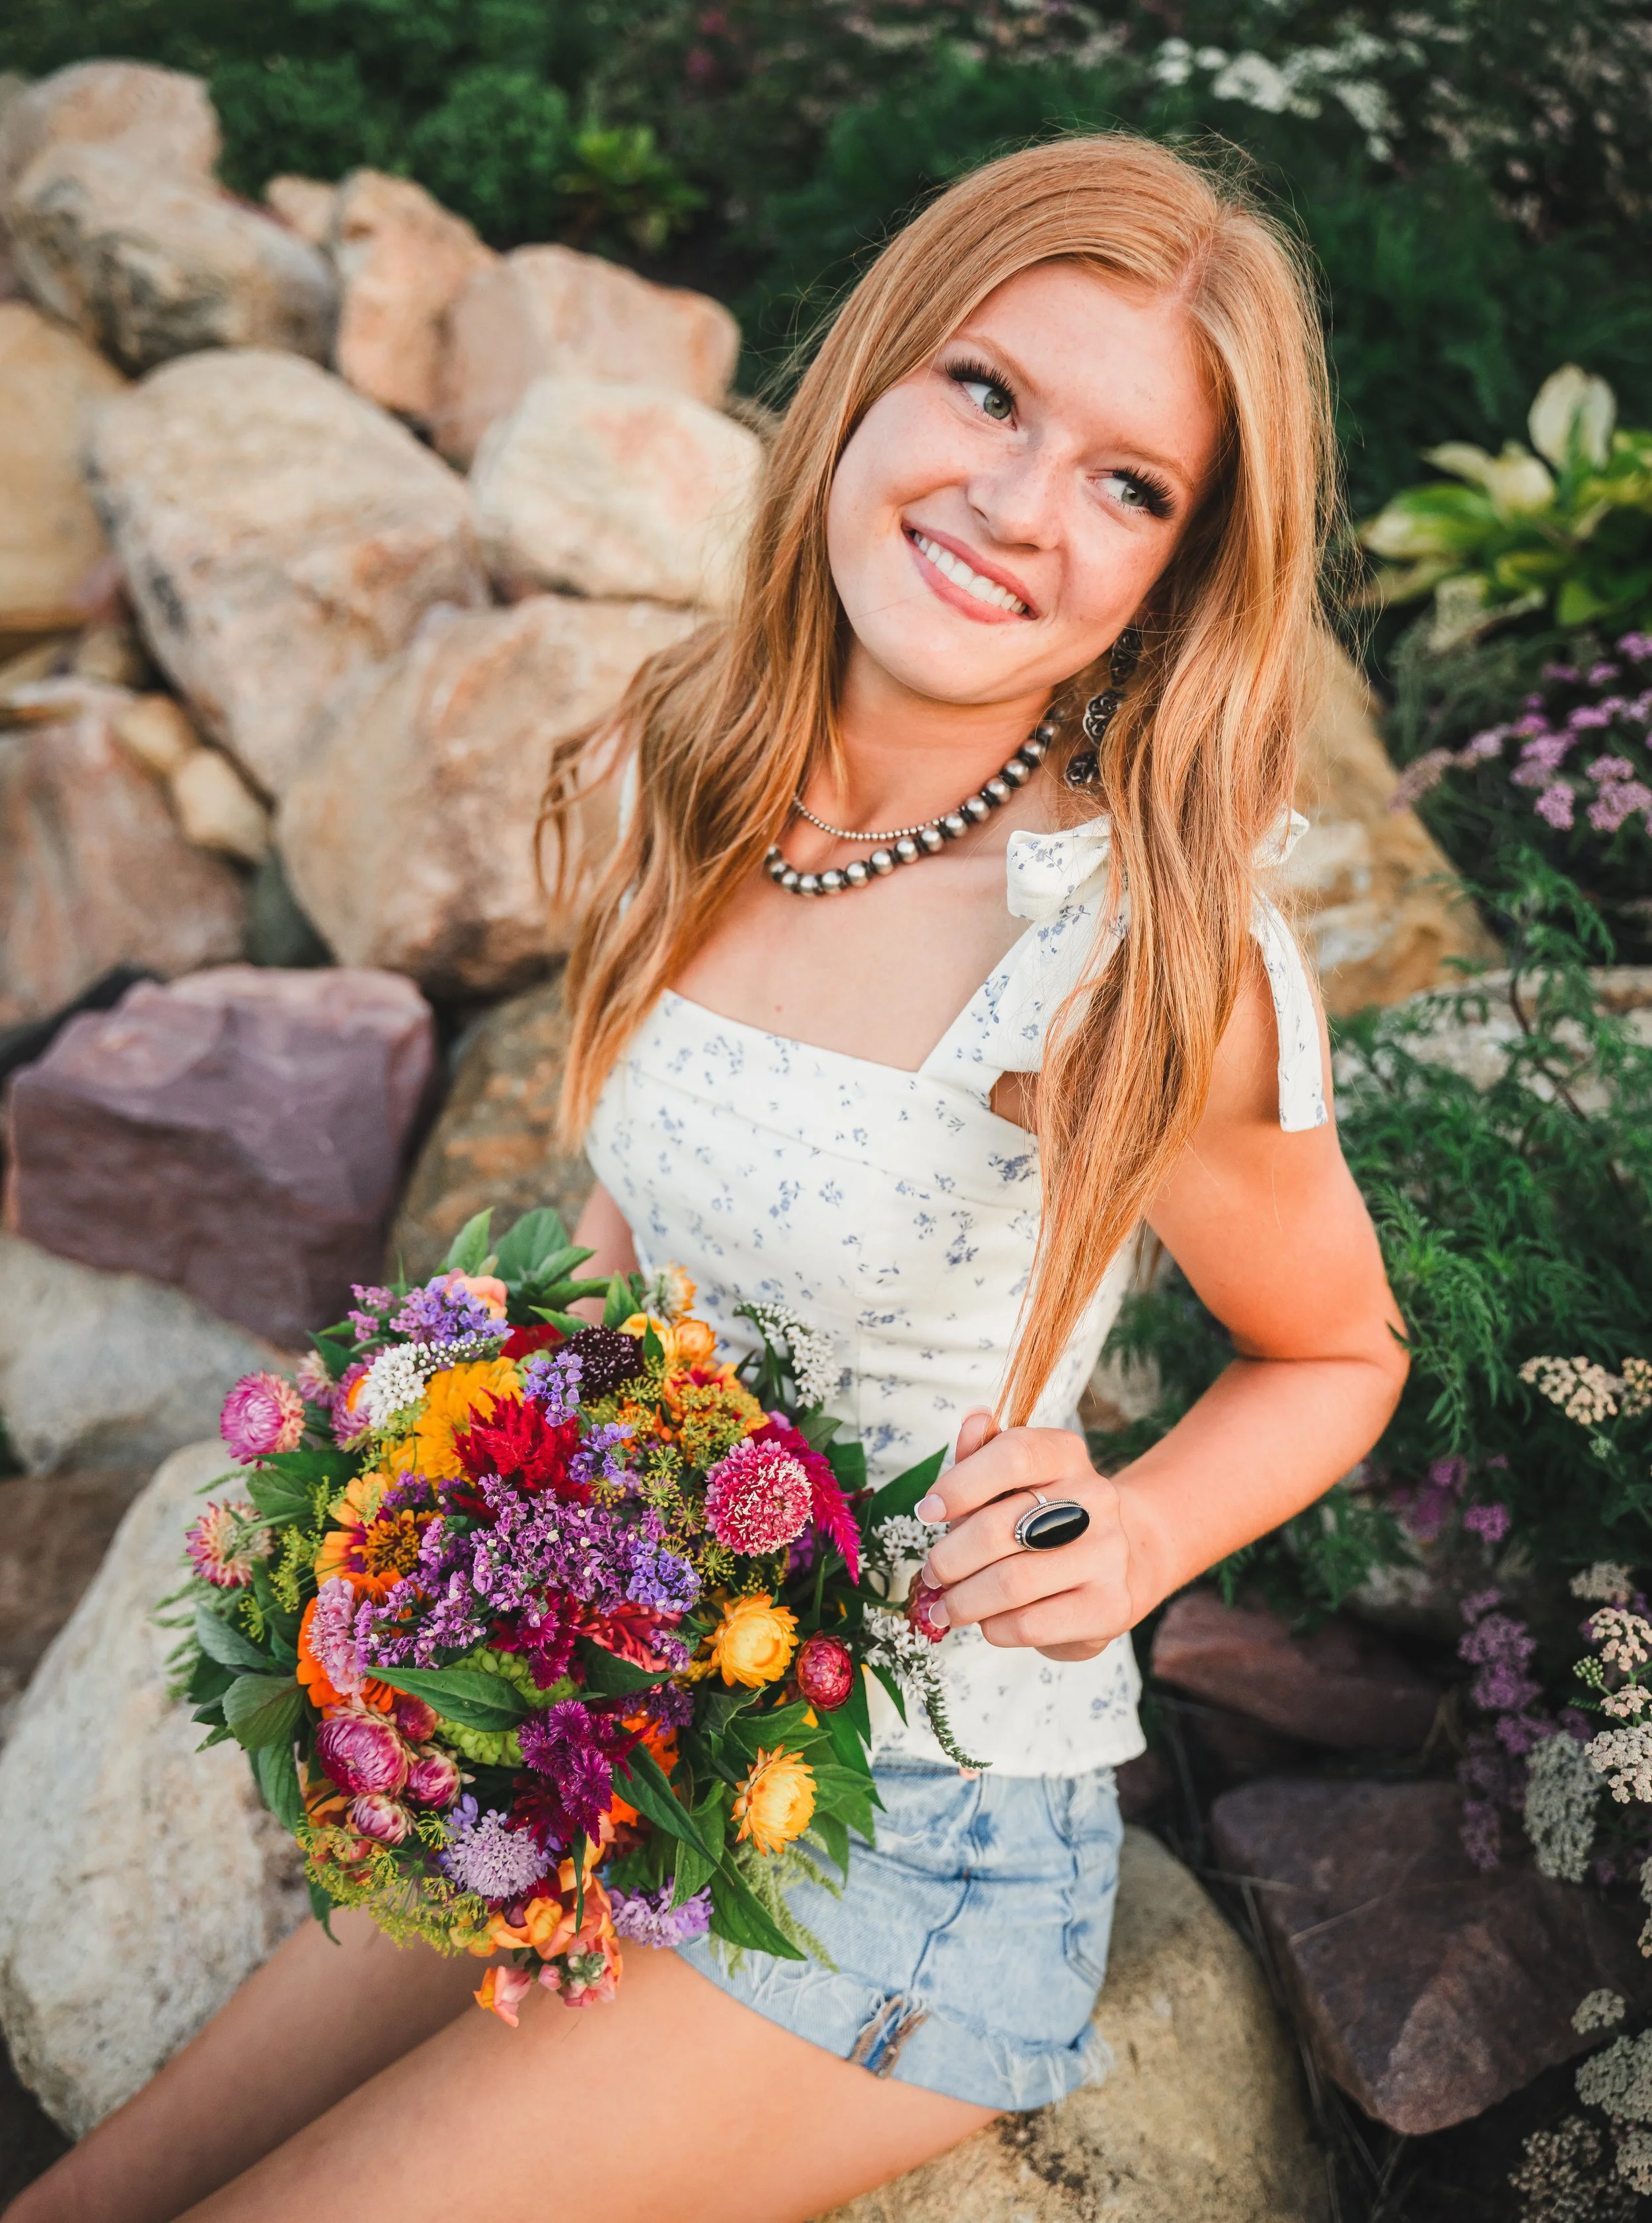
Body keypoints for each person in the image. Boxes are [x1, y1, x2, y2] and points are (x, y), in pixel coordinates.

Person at [10, 132, 1406, 2223]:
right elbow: (627, 1237)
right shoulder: (702, 761)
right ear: (864, 380)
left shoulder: (1134, 953)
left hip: (903, 1843)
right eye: (987, 390)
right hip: (624, 1715)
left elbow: (1336, 1347)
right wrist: (467, 1513)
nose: (1019, 507)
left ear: (1178, 574)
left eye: (1130, 484)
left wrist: (1127, 1538)